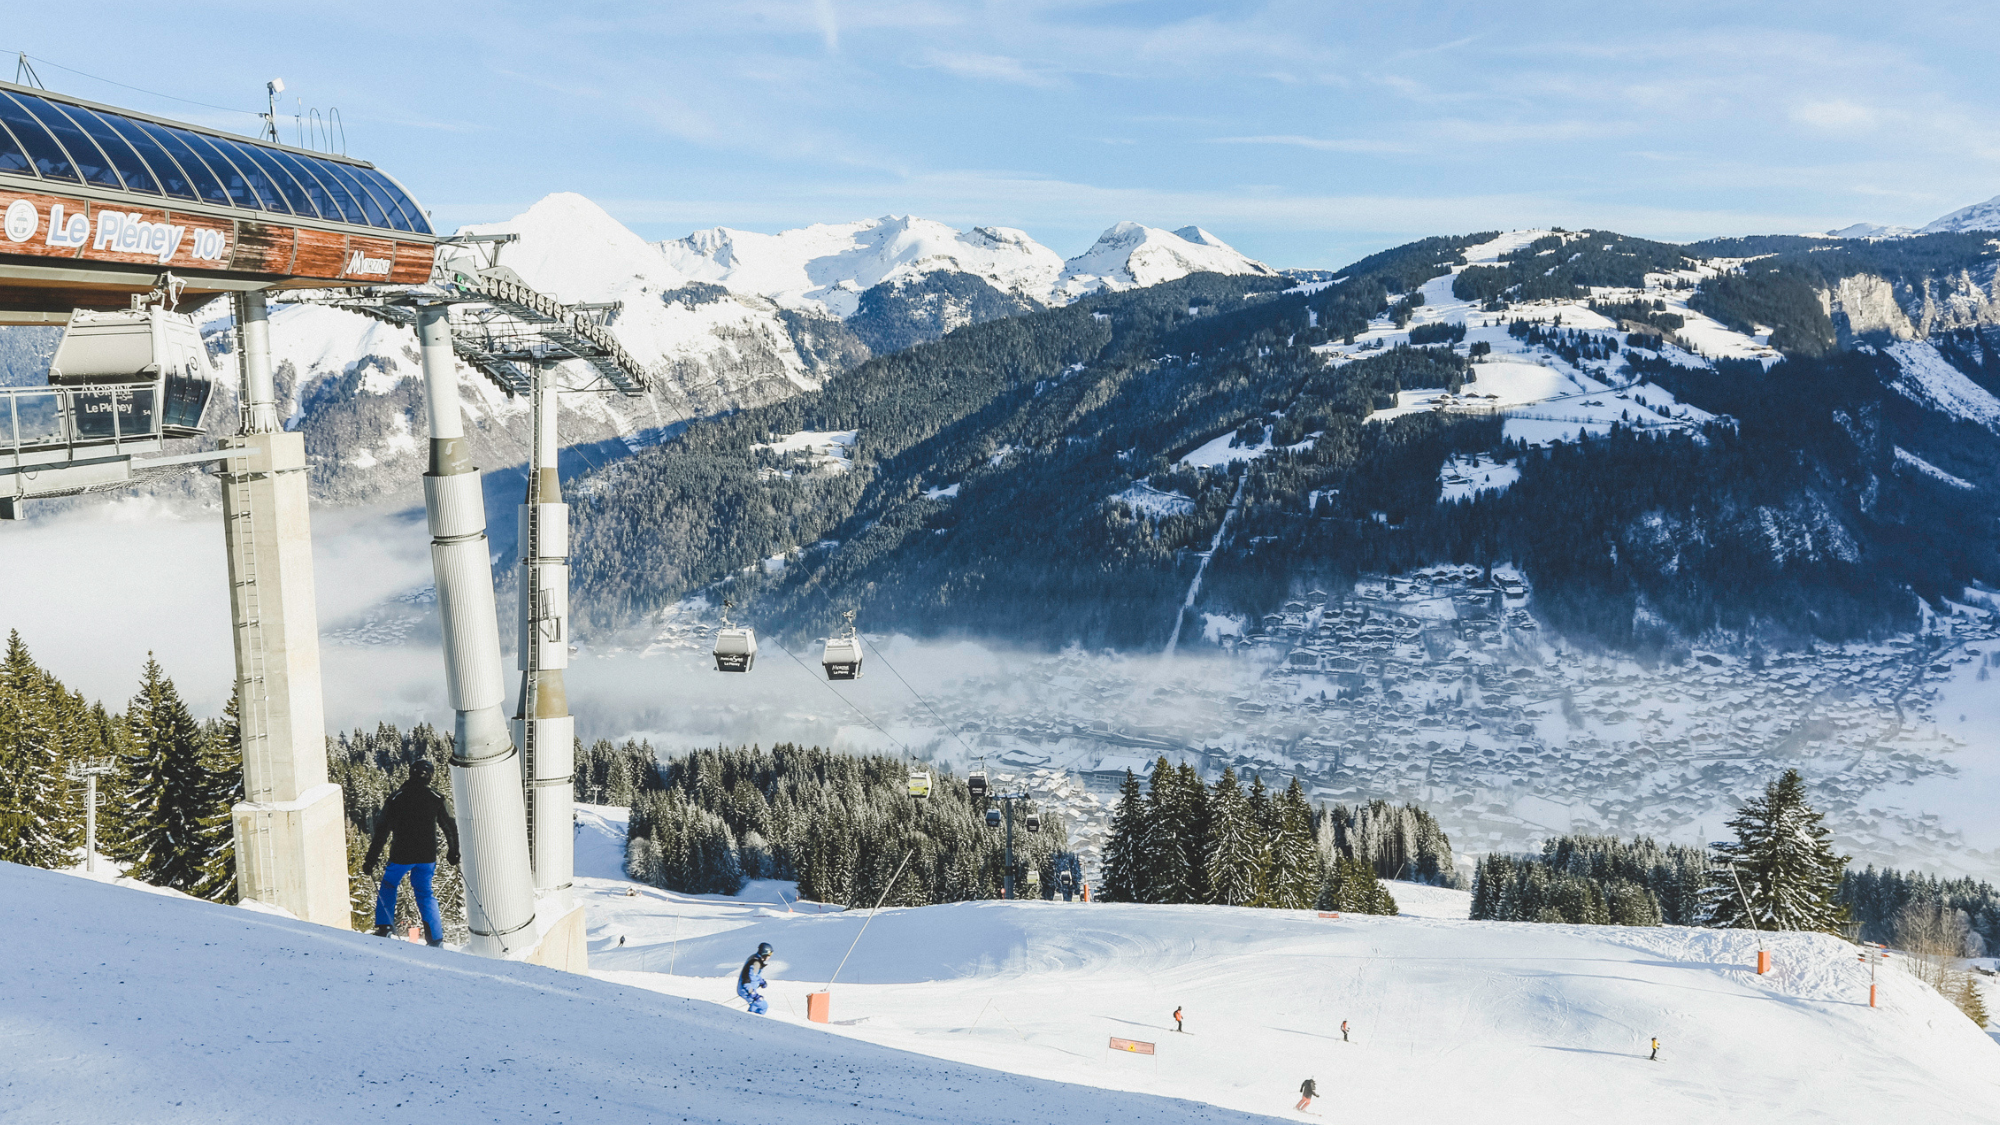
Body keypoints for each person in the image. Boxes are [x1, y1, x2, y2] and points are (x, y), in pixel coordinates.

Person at [364, 758, 459, 947]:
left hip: (401, 854)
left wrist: (371, 860)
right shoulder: (436, 798)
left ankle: (385, 928)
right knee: (425, 893)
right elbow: (450, 826)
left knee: (389, 884)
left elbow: (381, 831)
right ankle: (435, 939)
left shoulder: (396, 798)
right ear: (429, 776)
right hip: (427, 856)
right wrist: (453, 852)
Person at [738, 942, 773, 1014]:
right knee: (763, 1006)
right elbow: (746, 980)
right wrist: (753, 993)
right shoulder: (755, 963)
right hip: (746, 990)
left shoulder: (757, 960)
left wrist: (761, 981)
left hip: (747, 989)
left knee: (755, 1007)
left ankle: (748, 1021)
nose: (770, 956)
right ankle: (754, 1022)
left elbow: (755, 976)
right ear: (765, 953)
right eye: (770, 954)